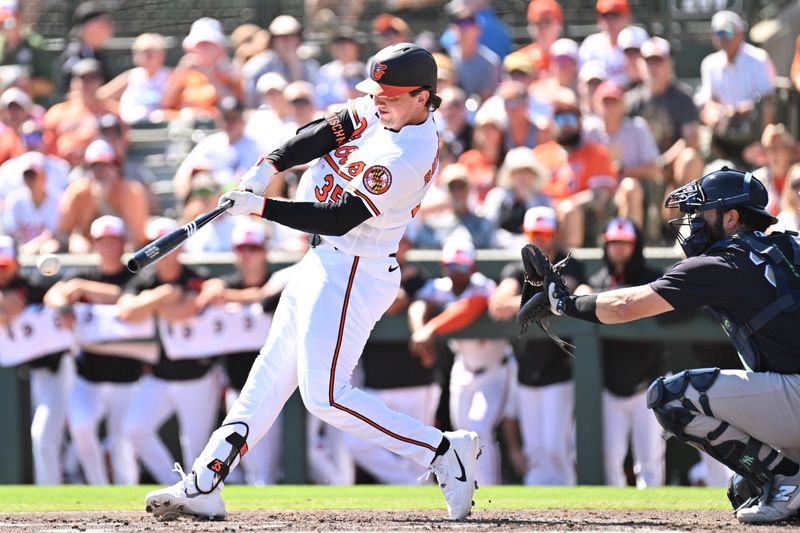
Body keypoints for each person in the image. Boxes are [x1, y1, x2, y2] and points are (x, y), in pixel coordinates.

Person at [145, 42, 479, 521]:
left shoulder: (410, 151)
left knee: (324, 396)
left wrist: (261, 207)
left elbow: (340, 217)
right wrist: (269, 166)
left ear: (424, 97)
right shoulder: (380, 109)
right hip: (320, 263)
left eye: (391, 93)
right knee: (265, 378)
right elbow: (324, 132)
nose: (378, 99)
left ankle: (443, 450)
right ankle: (205, 482)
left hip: (354, 269)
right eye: (377, 90)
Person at [521, 167, 800, 523]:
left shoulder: (724, 261)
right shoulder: (789, 244)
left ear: (731, 217)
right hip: (790, 397)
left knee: (670, 397)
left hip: (794, 396)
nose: (692, 221)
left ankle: (785, 478)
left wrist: (564, 303)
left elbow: (626, 306)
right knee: (742, 487)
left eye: (701, 212)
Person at [119, 217, 221, 486]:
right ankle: (173, 483)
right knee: (134, 429)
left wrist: (154, 307)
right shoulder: (148, 280)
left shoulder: (196, 276)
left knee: (195, 448)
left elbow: (187, 310)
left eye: (167, 246)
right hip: (159, 376)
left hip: (197, 376)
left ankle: (199, 494)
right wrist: (162, 297)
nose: (162, 254)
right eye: (155, 246)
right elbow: (126, 311)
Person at [488, 206, 585, 485]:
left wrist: (530, 303)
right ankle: (539, 511)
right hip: (526, 369)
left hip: (560, 368)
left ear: (555, 234)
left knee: (557, 447)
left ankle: (569, 503)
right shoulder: (516, 269)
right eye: (534, 234)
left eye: (544, 233)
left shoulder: (570, 263)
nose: (540, 240)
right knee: (535, 450)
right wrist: (539, 301)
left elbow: (562, 294)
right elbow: (498, 304)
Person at [43, 215, 140, 485]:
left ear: (123, 244)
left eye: (112, 241)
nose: (107, 247)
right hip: (90, 374)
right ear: (93, 244)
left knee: (123, 443)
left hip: (128, 376)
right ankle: (98, 485)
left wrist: (83, 289)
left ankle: (128, 494)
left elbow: (126, 297)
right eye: (101, 242)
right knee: (81, 427)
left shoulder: (134, 273)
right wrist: (63, 305)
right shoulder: (84, 274)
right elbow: (52, 295)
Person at [410, 240, 515, 486]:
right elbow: (418, 304)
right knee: (462, 434)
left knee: (479, 428)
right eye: (452, 266)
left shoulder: (483, 286)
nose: (457, 272)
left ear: (473, 267)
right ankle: (469, 487)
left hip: (494, 369)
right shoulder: (440, 287)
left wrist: (431, 329)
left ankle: (491, 488)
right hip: (463, 368)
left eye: (462, 266)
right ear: (443, 266)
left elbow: (473, 305)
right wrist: (421, 331)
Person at [343, 234, 441, 485]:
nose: (396, 246)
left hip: (416, 381)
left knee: (419, 454)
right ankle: (412, 486)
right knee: (355, 442)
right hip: (376, 381)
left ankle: (424, 502)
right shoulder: (363, 272)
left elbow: (399, 302)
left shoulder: (417, 276)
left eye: (402, 241)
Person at [200, 222, 287, 485]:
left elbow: (265, 296)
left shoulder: (277, 279)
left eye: (253, 248)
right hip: (236, 380)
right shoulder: (226, 283)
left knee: (270, 457)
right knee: (247, 455)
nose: (247, 254)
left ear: (264, 251)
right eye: (241, 248)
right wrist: (217, 291)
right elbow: (207, 296)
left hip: (275, 383)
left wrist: (227, 296)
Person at [587, 217, 666, 487]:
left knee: (650, 461)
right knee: (610, 458)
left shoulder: (652, 277)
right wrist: (585, 294)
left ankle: (659, 522)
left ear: (636, 245)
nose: (619, 249)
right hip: (611, 386)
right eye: (614, 243)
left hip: (648, 382)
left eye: (625, 243)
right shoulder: (597, 279)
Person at [0, 234, 73, 484]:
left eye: (4, 266)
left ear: (16, 265)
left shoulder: (28, 286)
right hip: (38, 374)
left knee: (51, 435)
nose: (1, 272)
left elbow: (47, 295)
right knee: (48, 437)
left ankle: (57, 489)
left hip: (64, 366)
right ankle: (58, 486)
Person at [697, 11, 776, 163]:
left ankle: (762, 155)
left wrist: (737, 111)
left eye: (727, 32)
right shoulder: (709, 63)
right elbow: (708, 99)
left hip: (752, 128)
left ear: (740, 34)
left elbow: (767, 102)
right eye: (718, 33)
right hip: (723, 130)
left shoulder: (759, 59)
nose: (723, 38)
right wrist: (714, 111)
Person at [583, 81, 657, 228]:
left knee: (630, 187)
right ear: (596, 104)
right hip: (598, 193)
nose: (609, 108)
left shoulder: (637, 128)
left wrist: (623, 170)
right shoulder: (588, 130)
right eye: (605, 102)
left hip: (632, 193)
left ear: (623, 105)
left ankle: (633, 241)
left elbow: (654, 170)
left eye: (614, 102)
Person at [57, 138, 149, 251]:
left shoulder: (132, 191)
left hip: (122, 257)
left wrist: (102, 203)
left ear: (115, 167)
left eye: (105, 165)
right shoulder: (77, 192)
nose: (100, 172)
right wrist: (74, 239)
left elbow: (136, 238)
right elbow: (61, 232)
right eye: (94, 166)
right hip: (86, 256)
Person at [173, 97, 260, 200]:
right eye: (226, 118)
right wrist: (186, 197)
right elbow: (184, 172)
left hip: (236, 202)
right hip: (207, 198)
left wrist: (219, 194)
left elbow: (243, 182)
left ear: (242, 120)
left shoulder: (252, 145)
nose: (229, 123)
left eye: (234, 118)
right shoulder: (211, 141)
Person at [42, 58, 119, 166]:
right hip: (62, 168)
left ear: (101, 81)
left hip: (99, 169)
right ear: (73, 82)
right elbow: (46, 146)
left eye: (92, 78)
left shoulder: (112, 111)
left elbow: (120, 147)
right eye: (83, 78)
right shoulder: (58, 112)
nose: (87, 83)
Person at [162, 18, 242, 121]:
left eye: (208, 44)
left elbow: (230, 104)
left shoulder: (229, 74)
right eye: (199, 45)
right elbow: (166, 103)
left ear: (219, 48)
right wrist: (180, 72)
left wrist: (209, 75)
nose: (203, 49)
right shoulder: (184, 73)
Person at [242, 15, 319, 108]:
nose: (287, 41)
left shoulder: (310, 66)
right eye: (281, 37)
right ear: (273, 40)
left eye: (292, 36)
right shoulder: (257, 67)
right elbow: (250, 103)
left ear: (299, 38)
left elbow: (315, 99)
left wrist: (295, 66)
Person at [414, 163, 495, 249]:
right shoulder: (431, 226)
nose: (457, 192)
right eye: (452, 187)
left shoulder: (482, 224)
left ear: (469, 189)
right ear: (446, 190)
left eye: (461, 186)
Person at [97, 33, 171, 125]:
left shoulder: (171, 76)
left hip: (160, 129)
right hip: (129, 128)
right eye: (143, 52)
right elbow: (99, 97)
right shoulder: (130, 76)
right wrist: (121, 111)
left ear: (161, 55)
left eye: (152, 52)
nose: (148, 56)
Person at [1, 150, 59, 254]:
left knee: (50, 247)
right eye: (27, 176)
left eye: (34, 175)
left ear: (44, 176)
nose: (30, 180)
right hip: (18, 253)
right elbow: (8, 232)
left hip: (43, 251)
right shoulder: (15, 200)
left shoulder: (56, 200)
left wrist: (35, 245)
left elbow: (55, 233)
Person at [54, 0, 114, 96]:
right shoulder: (74, 55)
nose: (109, 28)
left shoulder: (99, 54)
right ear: (87, 27)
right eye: (103, 24)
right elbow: (71, 95)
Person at [0, 0, 52, 100]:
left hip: (31, 107)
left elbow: (48, 86)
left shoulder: (35, 44)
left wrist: (23, 84)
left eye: (8, 21)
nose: (4, 27)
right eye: (1, 22)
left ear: (20, 17)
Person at [447, 8, 501, 102]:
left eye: (468, 23)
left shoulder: (491, 61)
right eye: (459, 23)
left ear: (478, 29)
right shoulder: (446, 57)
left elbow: (486, 97)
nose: (463, 28)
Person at [578, 0, 631, 87]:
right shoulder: (591, 44)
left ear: (627, 17)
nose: (611, 21)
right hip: (600, 97)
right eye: (606, 16)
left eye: (616, 15)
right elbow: (583, 81)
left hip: (632, 95)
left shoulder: (636, 39)